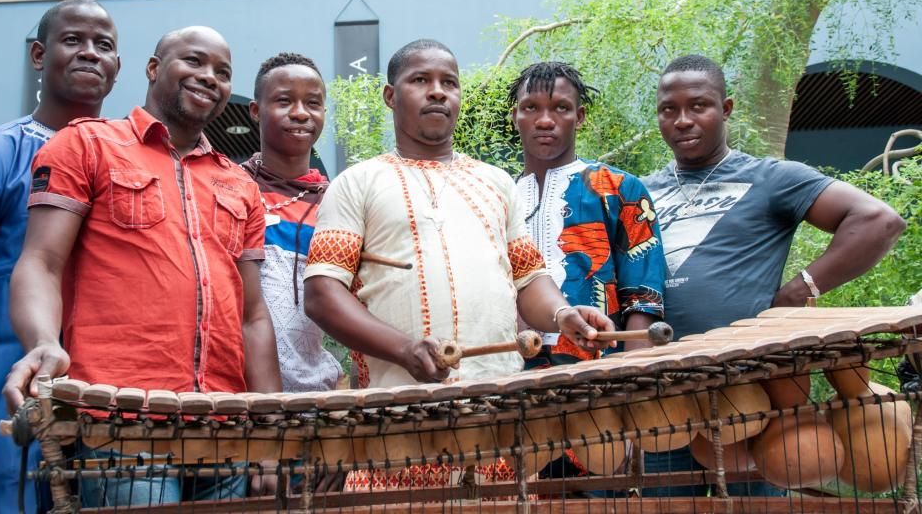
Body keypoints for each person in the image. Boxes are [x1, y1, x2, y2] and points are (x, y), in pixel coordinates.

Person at [303, 39, 616, 489]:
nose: (437, 92)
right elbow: (323, 296)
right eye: (420, 81)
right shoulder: (357, 183)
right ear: (391, 96)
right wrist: (404, 350)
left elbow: (529, 279)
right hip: (397, 422)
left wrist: (563, 314)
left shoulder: (495, 184)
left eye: (448, 82)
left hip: (494, 421)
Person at [3, 26, 282, 507]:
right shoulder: (87, 145)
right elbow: (41, 262)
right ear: (154, 69)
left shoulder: (239, 185)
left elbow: (254, 317)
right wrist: (43, 342)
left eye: (222, 72)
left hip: (225, 426)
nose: (209, 77)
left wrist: (270, 430)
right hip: (123, 424)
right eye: (193, 61)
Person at [642, 53, 906, 495]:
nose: (683, 120)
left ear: (726, 109)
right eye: (670, 109)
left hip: (754, 397)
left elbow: (879, 220)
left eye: (699, 106)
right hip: (660, 398)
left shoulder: (771, 178)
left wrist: (798, 291)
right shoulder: (639, 191)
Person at [0, 0, 120, 513]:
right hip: (4, 404)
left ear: (118, 68)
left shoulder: (130, 169)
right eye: (73, 40)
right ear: (39, 54)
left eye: (104, 46)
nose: (89, 54)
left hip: (111, 414)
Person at [510, 61, 666, 484]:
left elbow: (643, 292)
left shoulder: (619, 188)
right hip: (510, 378)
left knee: (595, 492)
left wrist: (631, 383)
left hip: (597, 377)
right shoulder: (494, 195)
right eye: (531, 107)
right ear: (515, 115)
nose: (545, 119)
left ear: (579, 116)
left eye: (561, 107)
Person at [241, 52, 342, 393]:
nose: (300, 113)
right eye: (284, 101)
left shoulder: (337, 203)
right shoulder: (230, 188)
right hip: (234, 396)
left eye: (313, 103)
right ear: (255, 111)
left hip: (317, 397)